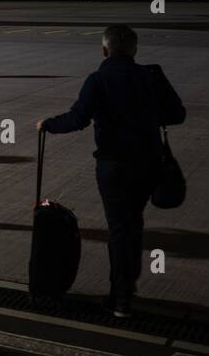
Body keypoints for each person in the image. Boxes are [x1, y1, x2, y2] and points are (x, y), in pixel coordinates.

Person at [37, 25, 185, 318]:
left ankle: (121, 299)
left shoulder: (98, 80)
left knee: (119, 230)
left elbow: (78, 119)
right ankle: (126, 287)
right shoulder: (151, 75)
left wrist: (48, 124)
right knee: (133, 225)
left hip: (114, 166)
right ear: (134, 50)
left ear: (104, 50)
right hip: (148, 164)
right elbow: (177, 114)